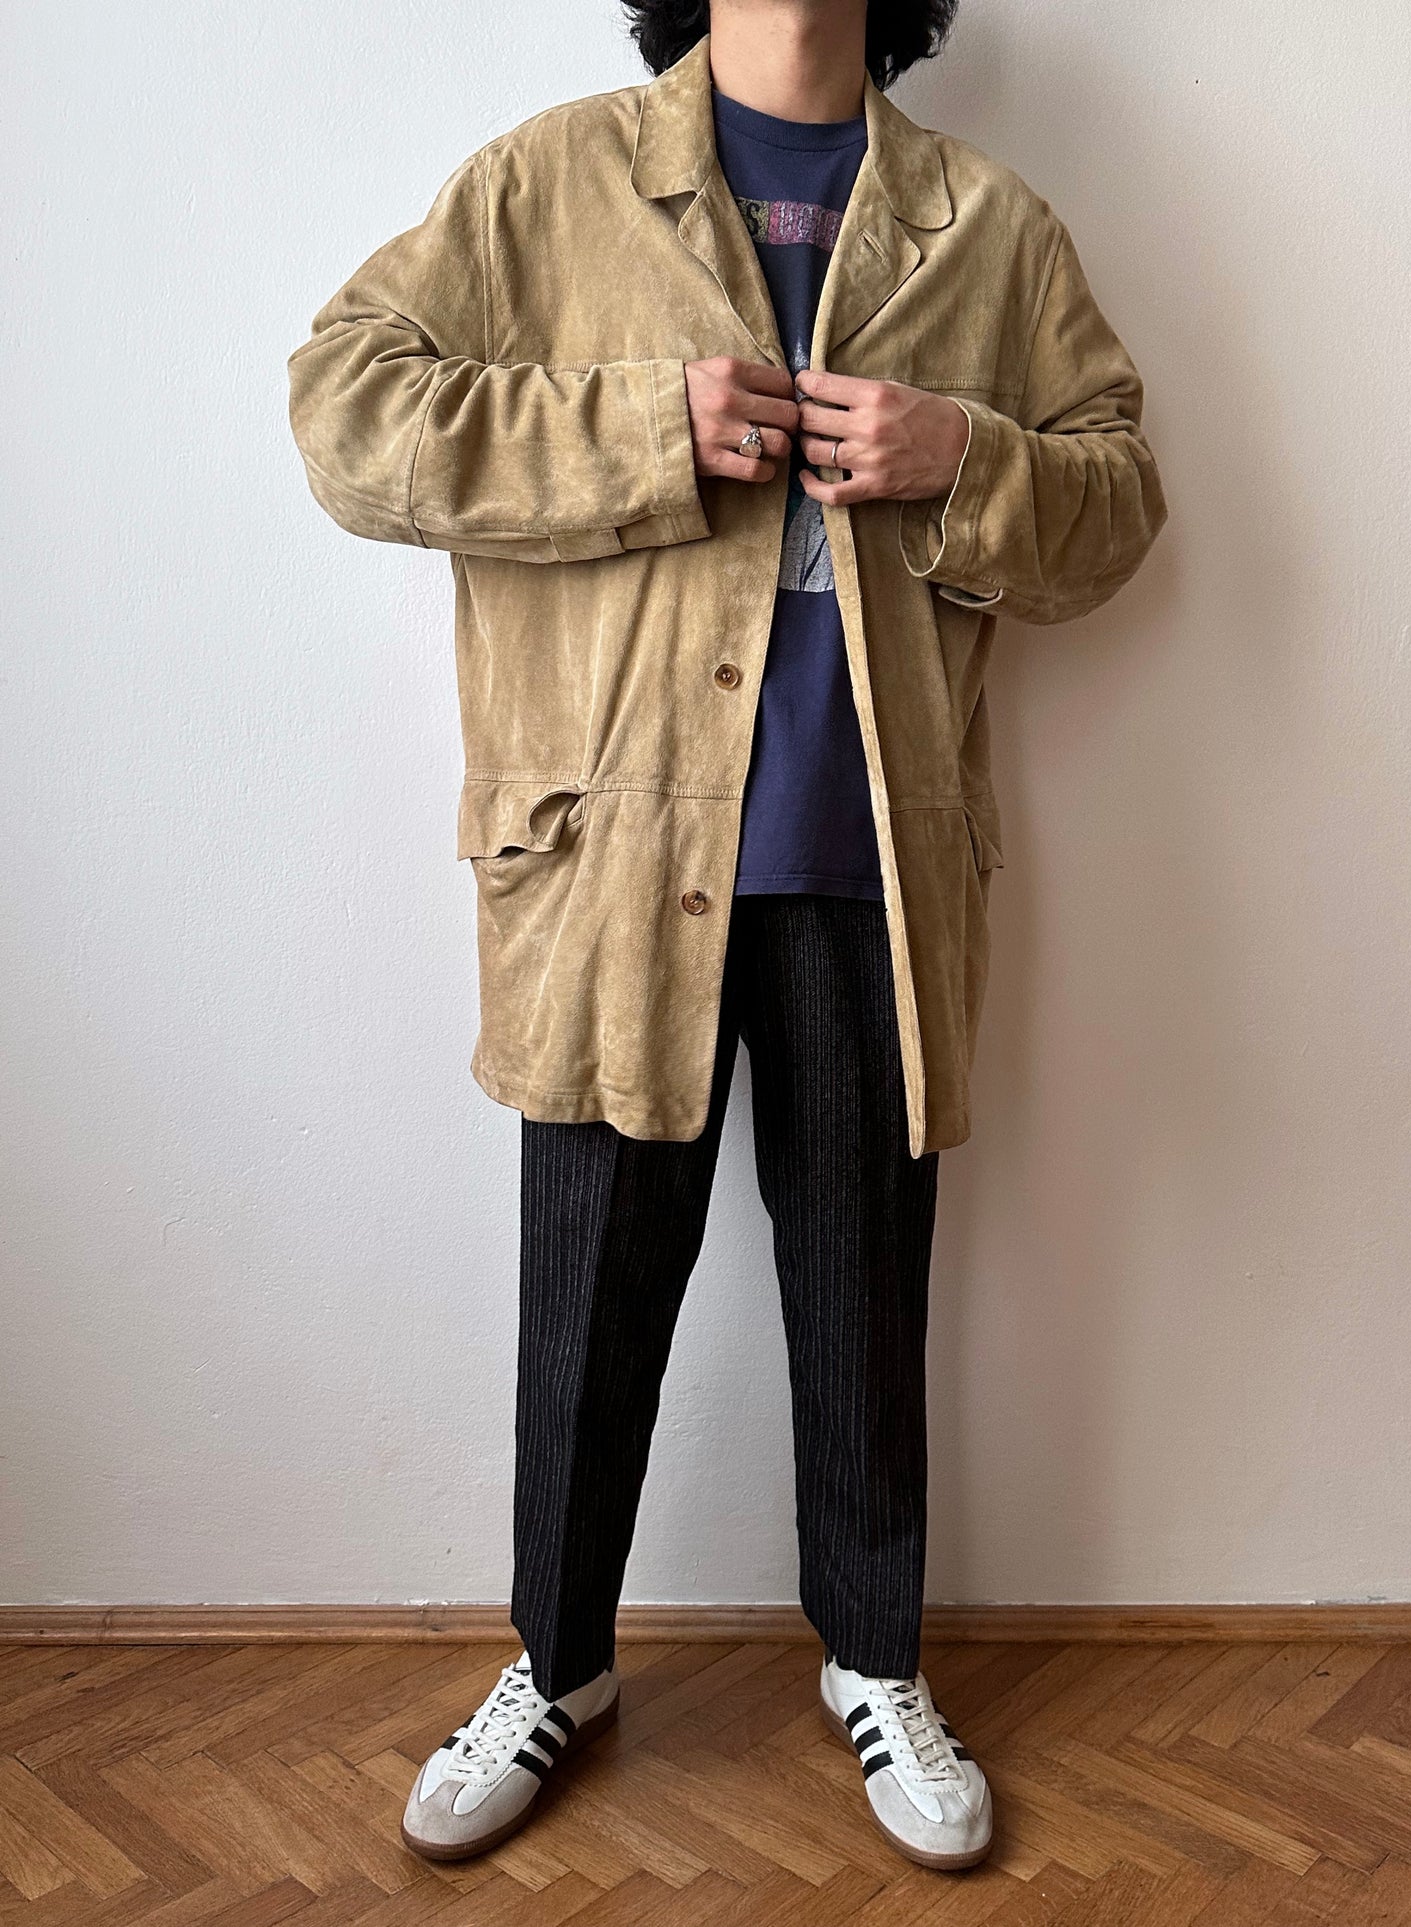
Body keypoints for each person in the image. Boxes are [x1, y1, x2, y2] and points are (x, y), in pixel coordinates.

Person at [285, 0, 1167, 1874]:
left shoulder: (988, 227)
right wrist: (639, 431)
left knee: (864, 1303)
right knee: (585, 1308)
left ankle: (874, 1661)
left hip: (869, 865)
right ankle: (556, 1664)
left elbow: (1116, 508)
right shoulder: (551, 184)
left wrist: (962, 455)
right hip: (609, 867)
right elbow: (345, 414)